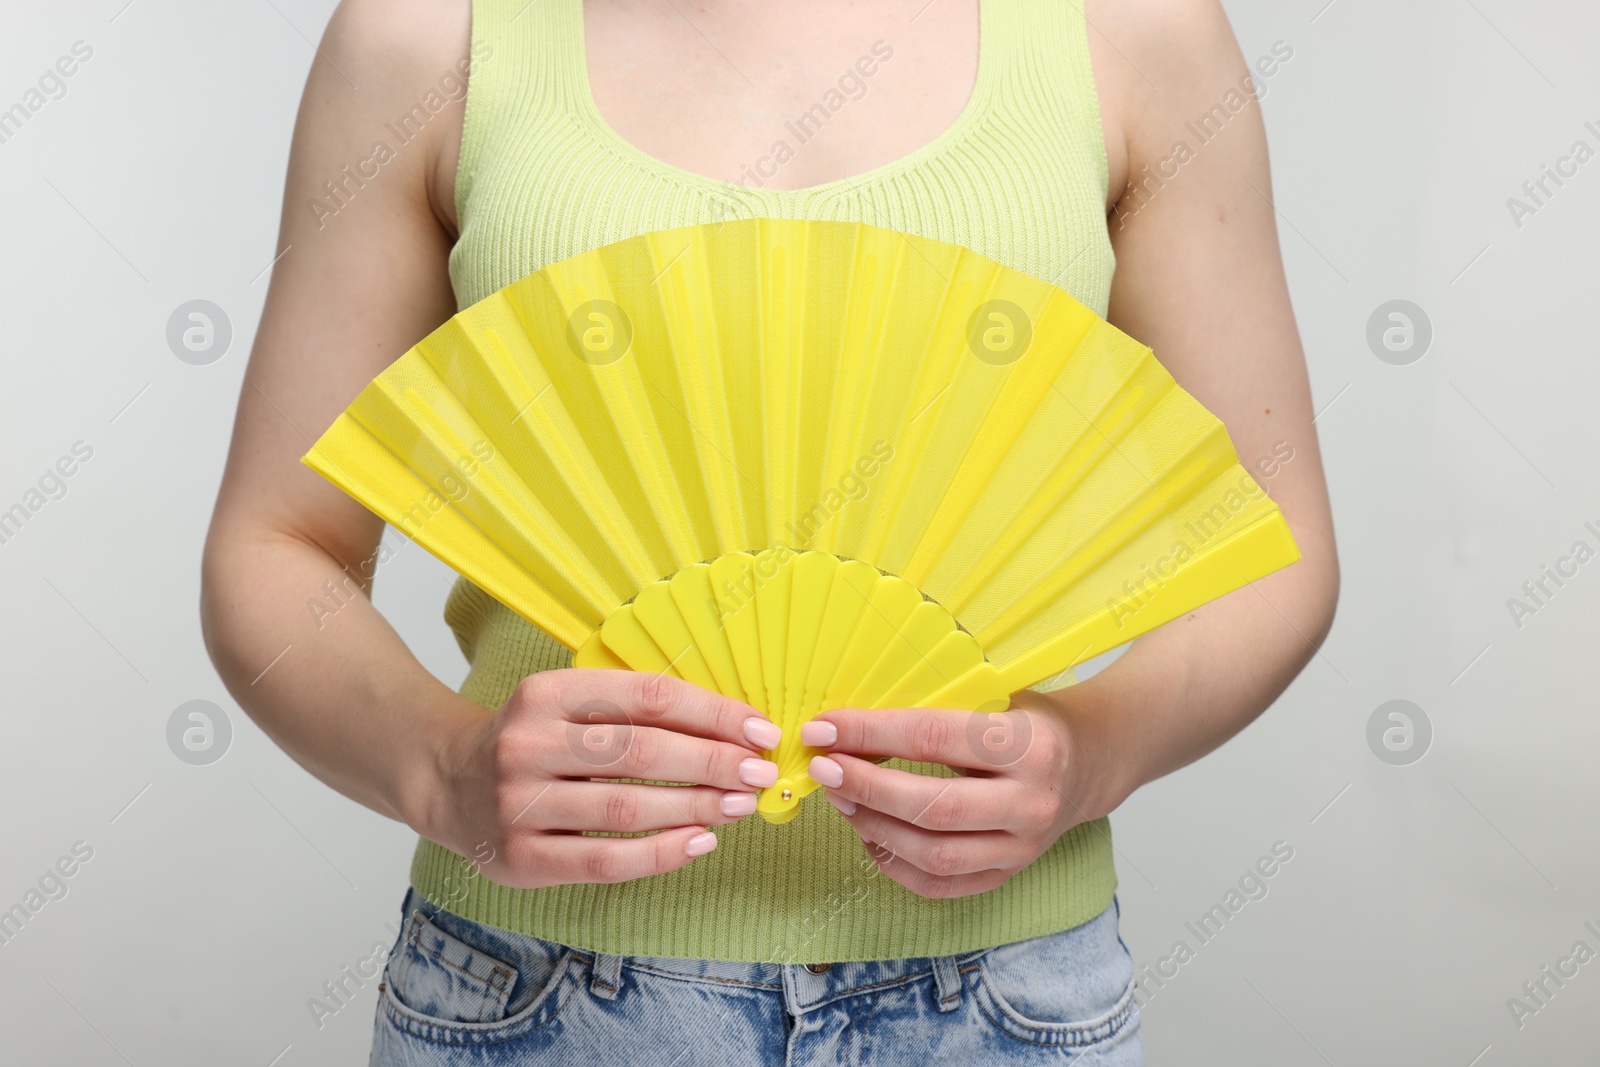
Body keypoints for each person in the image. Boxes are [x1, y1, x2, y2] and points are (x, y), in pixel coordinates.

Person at [201, 0, 1338, 1062]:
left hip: (1001, 998)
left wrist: (1095, 751)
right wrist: (442, 768)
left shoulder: (1131, 30)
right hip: (533, 994)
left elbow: (1274, 542)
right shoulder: (429, 34)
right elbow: (275, 542)